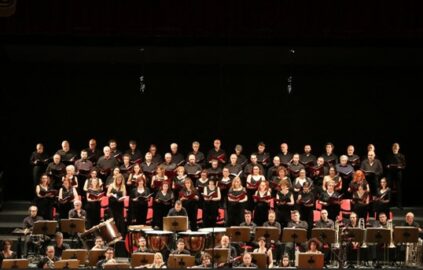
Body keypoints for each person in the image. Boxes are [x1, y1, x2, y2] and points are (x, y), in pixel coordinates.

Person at [386, 143, 406, 208]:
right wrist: (388, 166)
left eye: (396, 147)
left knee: (399, 189)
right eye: (394, 147)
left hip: (398, 173)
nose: (395, 148)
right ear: (392, 148)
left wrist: (400, 167)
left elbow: (404, 166)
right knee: (389, 188)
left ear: (398, 148)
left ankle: (399, 204)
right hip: (390, 173)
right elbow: (386, 165)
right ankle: (389, 203)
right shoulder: (389, 155)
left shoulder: (401, 156)